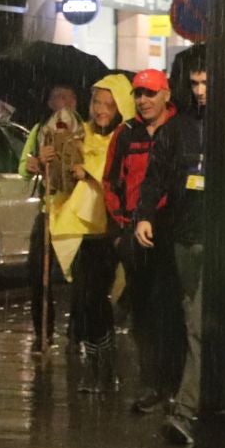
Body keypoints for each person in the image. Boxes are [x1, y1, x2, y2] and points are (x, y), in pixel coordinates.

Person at [103, 68, 186, 418]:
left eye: (150, 93)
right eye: (139, 94)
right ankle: (153, 384)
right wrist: (124, 227)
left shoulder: (182, 131)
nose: (143, 100)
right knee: (145, 314)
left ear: (166, 95)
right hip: (137, 236)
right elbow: (112, 182)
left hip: (173, 234)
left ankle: (177, 385)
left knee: (174, 312)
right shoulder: (127, 135)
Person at [135, 66, 206, 446]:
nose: (200, 91)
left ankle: (189, 409)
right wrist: (144, 215)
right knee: (194, 317)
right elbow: (155, 176)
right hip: (186, 235)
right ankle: (197, 403)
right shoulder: (178, 131)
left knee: (200, 322)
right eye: (194, 83)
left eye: (206, 82)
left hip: (217, 237)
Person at [50, 74, 134, 396]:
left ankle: (102, 367)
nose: (101, 110)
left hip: (106, 229)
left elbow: (122, 174)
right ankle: (95, 365)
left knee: (95, 298)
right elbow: (59, 168)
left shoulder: (125, 138)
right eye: (97, 103)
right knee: (84, 300)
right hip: (77, 229)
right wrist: (44, 161)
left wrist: (92, 172)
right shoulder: (79, 133)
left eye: (109, 104)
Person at [21, 84, 80, 344]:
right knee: (37, 273)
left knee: (78, 278)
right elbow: (24, 166)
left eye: (67, 96)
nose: (62, 102)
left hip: (76, 212)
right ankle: (42, 332)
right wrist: (36, 162)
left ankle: (76, 331)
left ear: (76, 102)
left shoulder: (85, 131)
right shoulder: (39, 131)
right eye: (56, 97)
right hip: (48, 210)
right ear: (49, 103)